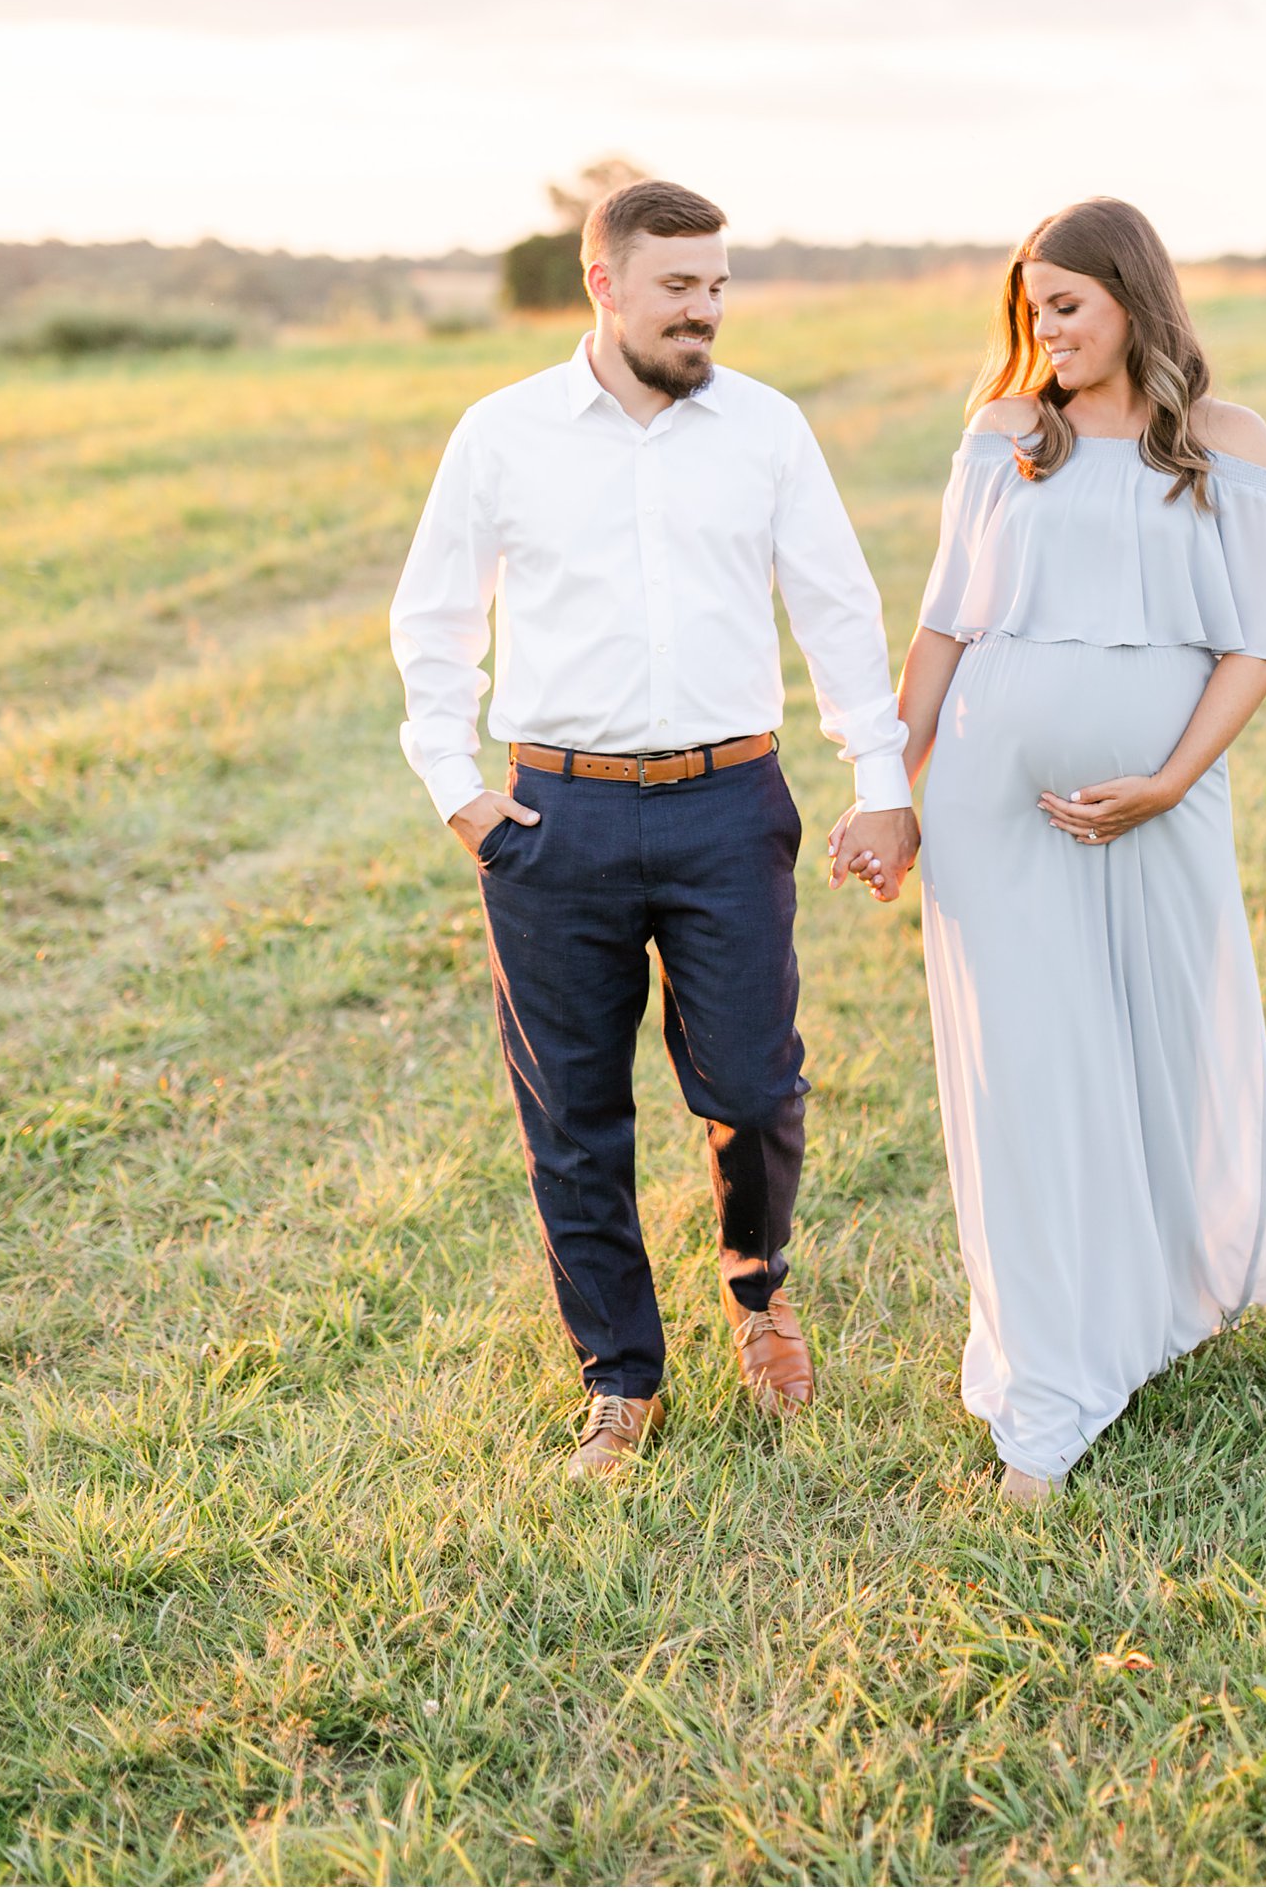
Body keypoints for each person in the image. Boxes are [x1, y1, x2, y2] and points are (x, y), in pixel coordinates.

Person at [389, 179, 919, 1479]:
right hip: (550, 815)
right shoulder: (503, 432)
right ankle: (620, 1377)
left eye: (719, 285)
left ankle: (757, 1284)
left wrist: (881, 771)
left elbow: (839, 607)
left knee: (752, 1081)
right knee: (572, 1112)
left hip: (727, 804)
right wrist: (455, 783)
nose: (707, 310)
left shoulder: (765, 430)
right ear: (605, 283)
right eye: (680, 286)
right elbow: (436, 616)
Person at [875, 196, 1266, 1502]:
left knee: (1159, 1053)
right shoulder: (1004, 435)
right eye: (1028, 308)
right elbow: (945, 622)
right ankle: (1046, 1393)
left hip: (1160, 806)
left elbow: (1256, 641)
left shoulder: (1226, 443)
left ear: (1131, 292)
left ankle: (1149, 1305)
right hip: (996, 813)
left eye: (1063, 302)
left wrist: (1168, 781)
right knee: (1031, 1082)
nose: (1041, 329)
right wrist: (888, 784)